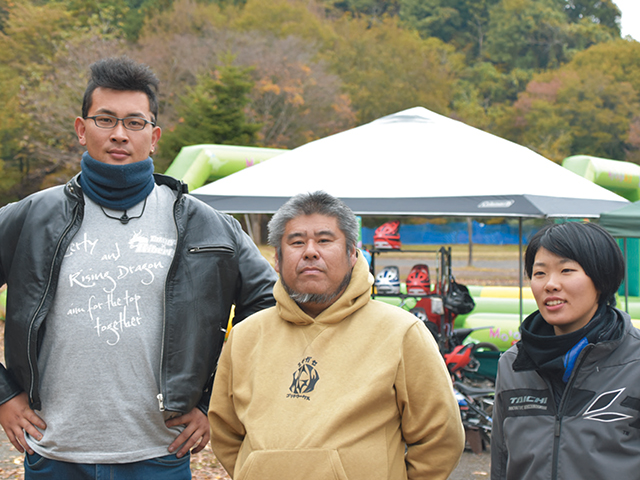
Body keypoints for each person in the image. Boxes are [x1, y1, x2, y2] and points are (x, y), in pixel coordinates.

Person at [0, 56, 277, 479]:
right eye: (104, 119)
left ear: (154, 136)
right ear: (81, 129)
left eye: (134, 123)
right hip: (55, 454)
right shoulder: (31, 218)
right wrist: (4, 394)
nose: (118, 134)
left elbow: (270, 308)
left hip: (159, 456)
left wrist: (211, 401)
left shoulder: (207, 224)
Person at [208, 191, 465, 480]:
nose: (310, 251)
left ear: (353, 253)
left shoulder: (401, 332)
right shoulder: (245, 336)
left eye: (324, 240)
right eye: (296, 242)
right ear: (277, 260)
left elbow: (441, 437)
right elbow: (225, 431)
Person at [491, 222, 640, 479]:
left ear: (602, 278)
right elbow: (501, 461)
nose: (550, 284)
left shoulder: (635, 363)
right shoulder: (514, 363)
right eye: (539, 273)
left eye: (566, 270)